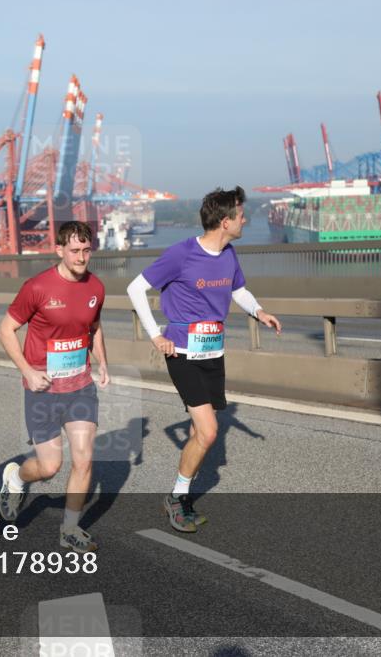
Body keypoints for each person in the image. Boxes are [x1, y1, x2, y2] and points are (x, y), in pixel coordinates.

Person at [126, 187, 281, 532]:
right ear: (225, 221)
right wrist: (156, 335)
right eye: (241, 215)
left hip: (214, 351)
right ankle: (177, 498)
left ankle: (182, 493)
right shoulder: (181, 254)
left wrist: (259, 311)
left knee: (200, 430)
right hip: (182, 352)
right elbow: (135, 288)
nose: (245, 219)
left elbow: (237, 288)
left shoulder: (229, 253)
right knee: (210, 432)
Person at [0, 221, 109, 553]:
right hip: (43, 389)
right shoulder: (38, 287)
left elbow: (96, 326)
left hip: (80, 386)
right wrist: (28, 371)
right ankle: (17, 478)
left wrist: (102, 361)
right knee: (49, 467)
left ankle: (70, 529)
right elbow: (5, 330)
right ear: (59, 250)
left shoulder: (96, 287)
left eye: (86, 250)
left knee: (85, 459)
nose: (81, 257)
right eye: (74, 250)